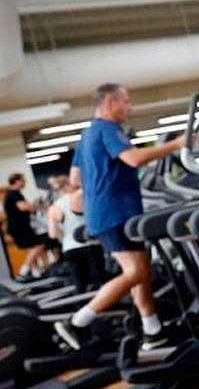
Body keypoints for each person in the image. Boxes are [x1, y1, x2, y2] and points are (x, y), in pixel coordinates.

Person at [55, 83, 185, 350]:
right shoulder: (108, 129)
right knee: (136, 271)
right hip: (116, 213)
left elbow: (74, 179)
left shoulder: (87, 134)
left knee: (141, 272)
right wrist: (176, 144)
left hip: (104, 213)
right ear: (110, 103)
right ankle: (78, 321)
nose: (130, 107)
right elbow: (134, 159)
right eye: (126, 101)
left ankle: (153, 331)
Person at [47, 181, 104, 292]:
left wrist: (64, 236)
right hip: (90, 243)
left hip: (70, 248)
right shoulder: (82, 197)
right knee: (100, 280)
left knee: (80, 283)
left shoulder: (54, 208)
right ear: (68, 186)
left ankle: (84, 306)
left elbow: (53, 234)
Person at [3, 173, 45, 279]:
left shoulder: (12, 194)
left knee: (31, 248)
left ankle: (35, 272)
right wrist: (37, 207)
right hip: (19, 227)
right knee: (38, 245)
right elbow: (23, 207)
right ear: (17, 181)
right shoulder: (14, 193)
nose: (25, 182)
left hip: (19, 226)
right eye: (23, 180)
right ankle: (23, 271)